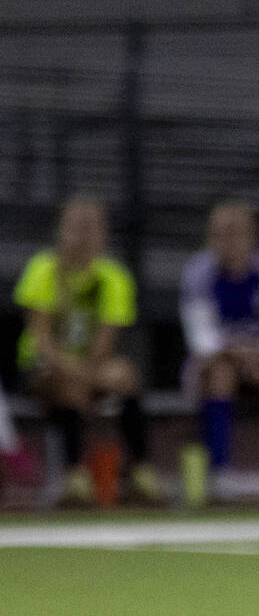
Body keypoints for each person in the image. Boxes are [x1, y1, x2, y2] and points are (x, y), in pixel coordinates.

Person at [13, 195, 163, 506]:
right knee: (68, 386)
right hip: (43, 371)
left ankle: (140, 471)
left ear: (103, 234)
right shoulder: (43, 270)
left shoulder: (113, 278)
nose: (83, 236)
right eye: (76, 227)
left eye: (91, 227)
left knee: (126, 376)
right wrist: (73, 371)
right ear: (61, 231)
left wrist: (87, 373)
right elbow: (41, 338)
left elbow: (105, 343)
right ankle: (76, 477)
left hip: (90, 369)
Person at [180, 200, 259, 501]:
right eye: (221, 234)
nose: (229, 241)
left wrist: (257, 354)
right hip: (217, 363)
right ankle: (221, 474)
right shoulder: (200, 273)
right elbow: (200, 338)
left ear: (252, 236)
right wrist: (236, 352)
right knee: (219, 374)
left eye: (236, 233)